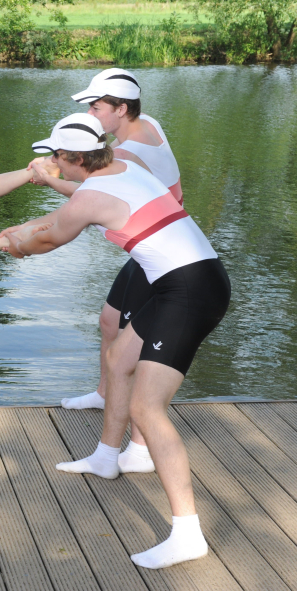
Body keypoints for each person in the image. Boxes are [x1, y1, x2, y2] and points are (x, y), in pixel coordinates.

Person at [4, 113, 230, 569]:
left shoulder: (91, 194)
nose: (54, 165)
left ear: (73, 157)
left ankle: (188, 534)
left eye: (57, 158)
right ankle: (107, 457)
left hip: (190, 292)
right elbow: (72, 208)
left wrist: (11, 243)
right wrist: (32, 220)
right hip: (185, 280)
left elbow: (50, 237)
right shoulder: (125, 169)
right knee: (118, 357)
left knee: (148, 408)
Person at [56, 68, 186, 475]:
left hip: (161, 257)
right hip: (151, 247)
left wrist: (47, 178)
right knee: (109, 321)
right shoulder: (147, 125)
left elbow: (89, 196)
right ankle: (104, 393)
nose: (91, 115)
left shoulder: (130, 154)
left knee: (134, 351)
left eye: (96, 108)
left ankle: (142, 447)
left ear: (121, 109)